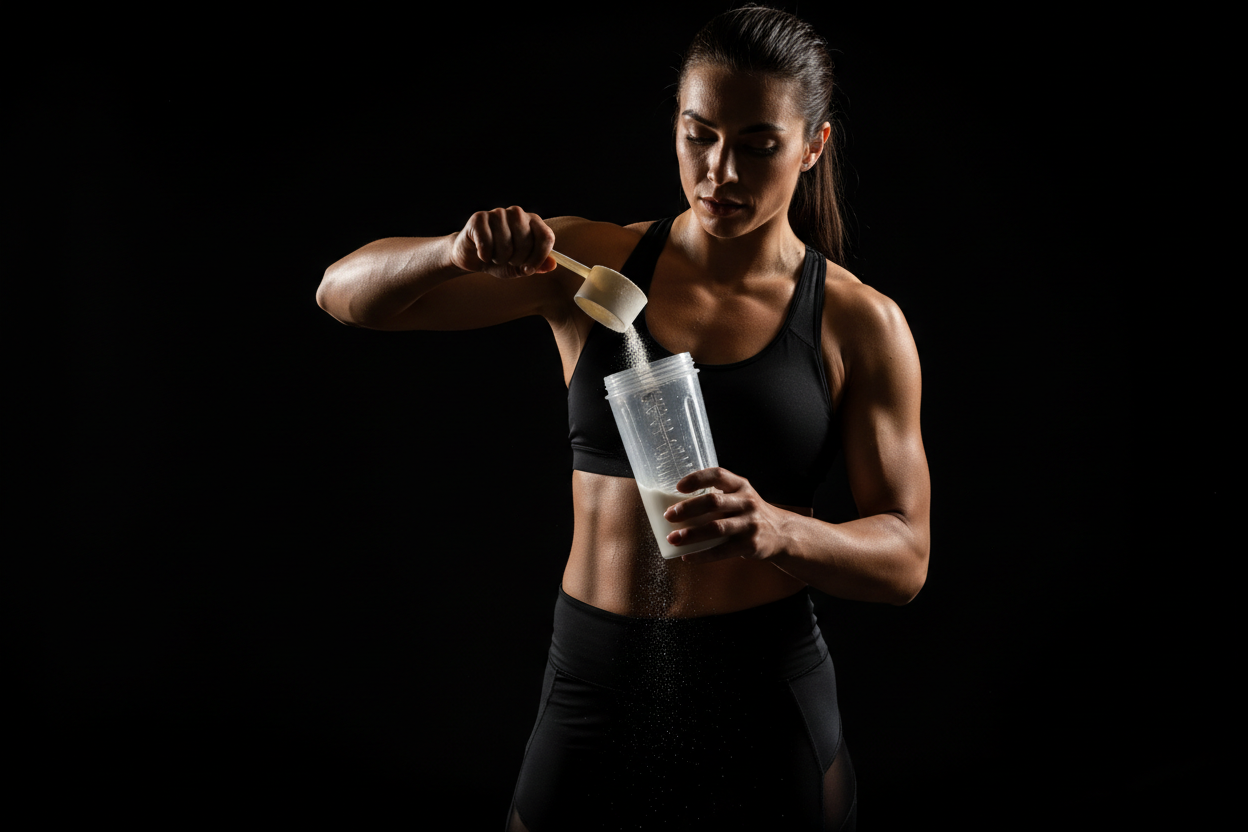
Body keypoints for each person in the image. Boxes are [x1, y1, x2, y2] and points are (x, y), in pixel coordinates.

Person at [316, 5, 929, 830]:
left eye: (757, 143)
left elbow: (906, 556)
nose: (720, 171)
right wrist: (452, 252)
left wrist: (777, 529)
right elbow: (345, 298)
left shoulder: (857, 322)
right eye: (699, 134)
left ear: (812, 146)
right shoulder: (587, 266)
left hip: (760, 676)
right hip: (594, 673)